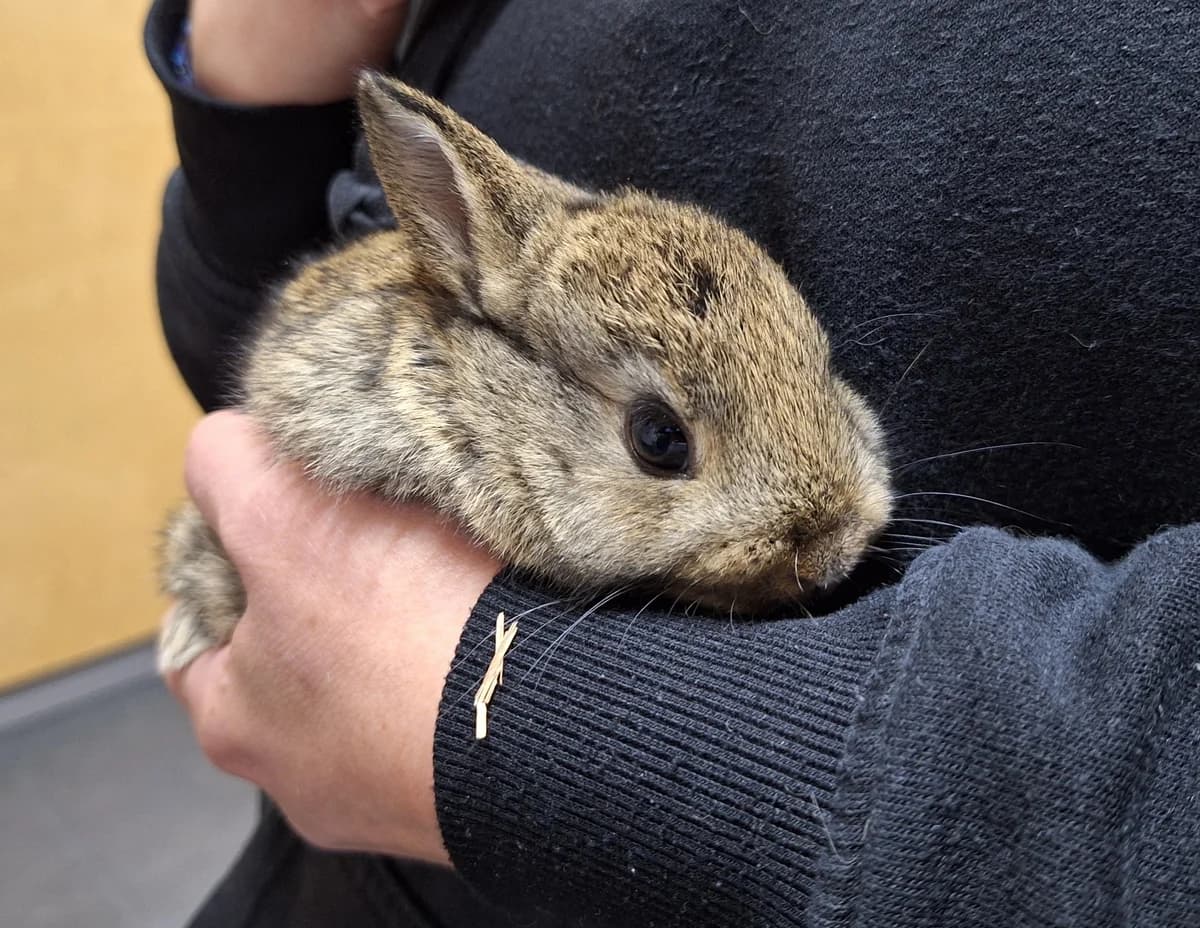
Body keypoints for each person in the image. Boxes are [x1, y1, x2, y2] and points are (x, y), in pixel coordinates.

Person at [146, 0, 1200, 925]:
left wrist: (516, 725)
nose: (837, 539)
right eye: (662, 444)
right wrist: (249, 86)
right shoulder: (457, 367)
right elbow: (238, 334)